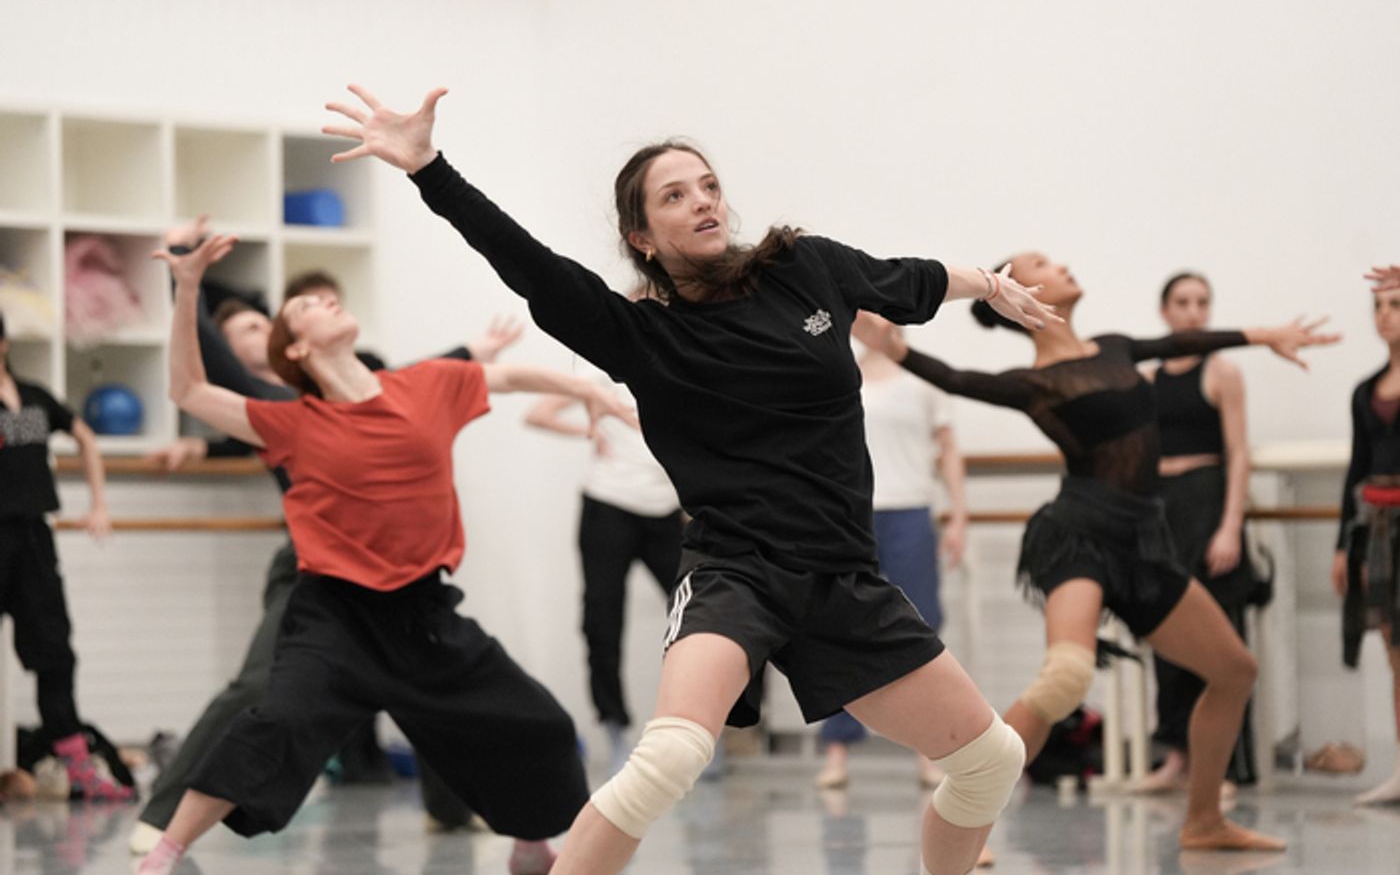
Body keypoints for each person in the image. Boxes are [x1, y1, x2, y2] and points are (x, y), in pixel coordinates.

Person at [324, 84, 1056, 875]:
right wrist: (430, 169)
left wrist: (987, 280)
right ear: (642, 236)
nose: (704, 202)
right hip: (736, 573)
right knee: (671, 757)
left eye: (708, 185)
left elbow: (905, 279)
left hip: (846, 579)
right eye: (675, 195)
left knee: (992, 760)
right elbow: (526, 263)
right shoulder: (638, 336)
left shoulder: (804, 268)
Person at [136, 234, 627, 875]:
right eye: (306, 305)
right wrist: (190, 286)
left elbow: (504, 376)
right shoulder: (292, 419)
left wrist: (592, 391)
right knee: (273, 724)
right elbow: (188, 389)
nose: (322, 299)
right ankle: (164, 852)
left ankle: (530, 844)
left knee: (539, 725)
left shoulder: (426, 385)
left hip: (424, 613)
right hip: (334, 617)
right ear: (300, 348)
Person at [853, 252, 1337, 852]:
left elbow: (1182, 341)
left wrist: (1267, 336)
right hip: (1079, 536)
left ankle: (1205, 819)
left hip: (1142, 541)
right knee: (1066, 676)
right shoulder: (1032, 385)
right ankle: (965, 825)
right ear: (1016, 292)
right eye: (1042, 263)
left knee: (1235, 669)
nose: (1061, 265)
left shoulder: (1113, 347)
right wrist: (872, 328)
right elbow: (951, 378)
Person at [816, 312, 970, 791]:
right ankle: (837, 750)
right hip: (850, 518)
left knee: (920, 630)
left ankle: (931, 750)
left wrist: (959, 515)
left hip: (909, 514)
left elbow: (947, 449)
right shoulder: (843, 374)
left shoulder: (924, 380)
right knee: (842, 631)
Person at [525, 342, 684, 776]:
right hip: (608, 506)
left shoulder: (681, 366)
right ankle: (615, 727)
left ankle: (708, 726)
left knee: (704, 612)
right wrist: (588, 433)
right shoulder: (600, 373)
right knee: (602, 617)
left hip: (666, 511)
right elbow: (537, 413)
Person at [1135, 272, 1258, 792]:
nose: (1193, 311)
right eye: (1182, 302)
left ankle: (1225, 764)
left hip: (1206, 502)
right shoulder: (1147, 379)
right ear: (1164, 312)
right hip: (1159, 506)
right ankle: (1176, 756)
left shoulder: (1223, 371)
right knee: (1167, 631)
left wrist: (1230, 526)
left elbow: (1239, 454)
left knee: (1220, 636)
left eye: (1202, 302)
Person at [0, 310, 130, 800]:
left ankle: (76, 766)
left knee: (54, 652)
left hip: (33, 537)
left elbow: (85, 437)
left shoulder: (32, 398)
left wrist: (98, 505)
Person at [1334, 277, 1400, 806]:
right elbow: (1356, 469)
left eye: (1396, 304)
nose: (1385, 314)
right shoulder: (1364, 390)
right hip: (1378, 528)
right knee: (1395, 650)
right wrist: (1342, 546)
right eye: (1378, 306)